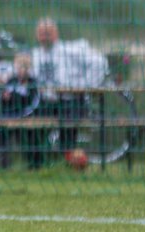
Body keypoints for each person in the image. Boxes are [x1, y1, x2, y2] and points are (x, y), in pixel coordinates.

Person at [30, 17, 108, 158]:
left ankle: (66, 160)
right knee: (30, 123)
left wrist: (84, 86)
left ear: (56, 33)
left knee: (68, 125)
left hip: (71, 101)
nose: (44, 36)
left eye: (48, 32)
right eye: (41, 33)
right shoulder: (35, 54)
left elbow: (100, 63)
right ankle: (37, 163)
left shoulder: (71, 50)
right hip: (45, 102)